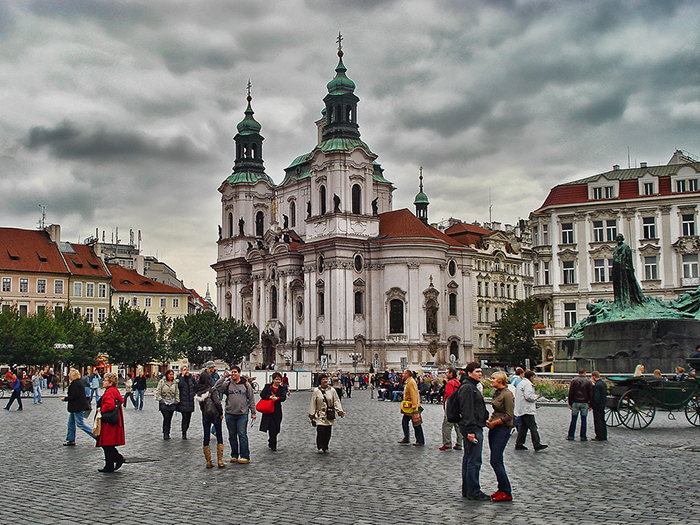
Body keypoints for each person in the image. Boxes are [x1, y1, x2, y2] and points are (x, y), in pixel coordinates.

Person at [456, 362, 488, 500]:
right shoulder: (468, 388)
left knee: (469, 458)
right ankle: (473, 490)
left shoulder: (470, 386)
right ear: (469, 373)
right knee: (474, 460)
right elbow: (467, 410)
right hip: (472, 428)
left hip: (473, 425)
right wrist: (471, 430)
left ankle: (467, 489)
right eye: (477, 371)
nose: (480, 374)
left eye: (481, 371)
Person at [215, 365, 256, 463]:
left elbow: (251, 399)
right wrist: (224, 377)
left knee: (242, 434)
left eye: (235, 372)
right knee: (232, 435)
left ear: (239, 373)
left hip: (242, 413)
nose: (233, 374)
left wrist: (253, 412)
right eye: (232, 372)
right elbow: (217, 387)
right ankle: (234, 455)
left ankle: (245, 456)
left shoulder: (246, 385)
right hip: (230, 413)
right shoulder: (228, 384)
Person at [486, 371, 515, 502]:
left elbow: (509, 416)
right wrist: (490, 419)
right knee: (497, 460)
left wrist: (494, 423)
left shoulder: (507, 394)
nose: (491, 381)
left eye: (493, 379)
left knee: (495, 460)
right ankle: (501, 488)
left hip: (503, 428)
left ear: (500, 380)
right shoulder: (497, 393)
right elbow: (497, 410)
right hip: (495, 427)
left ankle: (506, 491)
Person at [194, 367, 225, 468]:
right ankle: (220, 460)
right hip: (215, 415)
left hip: (205, 415)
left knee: (206, 437)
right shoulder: (211, 390)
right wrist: (221, 413)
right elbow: (217, 402)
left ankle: (208, 461)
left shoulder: (199, 392)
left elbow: (202, 406)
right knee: (219, 435)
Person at [308, 373, 345, 453]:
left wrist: (339, 411)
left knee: (327, 432)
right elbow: (313, 402)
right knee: (320, 430)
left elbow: (336, 401)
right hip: (319, 414)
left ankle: (326, 446)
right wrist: (311, 414)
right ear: (320, 381)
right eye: (323, 379)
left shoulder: (332, 390)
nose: (325, 381)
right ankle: (320, 447)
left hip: (328, 414)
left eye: (326, 379)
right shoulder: (316, 391)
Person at [96, 373, 125, 473]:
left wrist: (101, 410)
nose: (103, 382)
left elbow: (110, 405)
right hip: (114, 421)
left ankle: (116, 459)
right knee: (108, 444)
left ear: (110, 382)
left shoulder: (109, 392)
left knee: (107, 444)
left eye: (105, 380)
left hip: (109, 421)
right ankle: (110, 464)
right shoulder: (113, 390)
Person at [514, 370, 547, 452]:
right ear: (531, 377)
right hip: (527, 409)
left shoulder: (521, 383)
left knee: (523, 427)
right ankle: (536, 444)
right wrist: (536, 397)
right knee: (533, 427)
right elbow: (528, 396)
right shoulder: (528, 384)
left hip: (521, 408)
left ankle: (519, 443)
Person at [62, 368, 96, 446]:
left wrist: (65, 399)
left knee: (80, 424)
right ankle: (70, 439)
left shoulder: (75, 384)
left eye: (69, 373)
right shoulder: (79, 383)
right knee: (71, 423)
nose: (68, 375)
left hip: (77, 407)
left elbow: (74, 396)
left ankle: (96, 436)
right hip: (76, 407)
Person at [259, 372, 287, 451]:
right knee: (272, 428)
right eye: (276, 379)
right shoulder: (268, 387)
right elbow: (262, 395)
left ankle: (271, 439)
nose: (278, 381)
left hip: (277, 411)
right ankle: (273, 444)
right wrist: (269, 397)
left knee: (277, 428)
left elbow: (283, 398)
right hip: (268, 410)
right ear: (273, 380)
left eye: (279, 380)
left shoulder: (281, 389)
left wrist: (277, 398)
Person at [398, 369, 424, 446]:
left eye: (404, 373)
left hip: (412, 407)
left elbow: (413, 394)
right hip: (409, 407)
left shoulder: (411, 382)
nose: (403, 375)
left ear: (407, 374)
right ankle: (407, 438)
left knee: (416, 423)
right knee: (405, 422)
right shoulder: (409, 382)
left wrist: (414, 405)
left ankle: (420, 440)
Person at [440, 367, 463, 451]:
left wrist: (445, 404)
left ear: (451, 374)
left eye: (447, 373)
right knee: (458, 426)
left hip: (451, 407)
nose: (446, 374)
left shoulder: (450, 383)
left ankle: (447, 443)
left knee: (446, 426)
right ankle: (459, 443)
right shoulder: (458, 382)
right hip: (458, 406)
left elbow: (449, 395)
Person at [567, 369, 593, 442]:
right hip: (585, 402)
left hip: (575, 402)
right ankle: (583, 436)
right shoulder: (588, 382)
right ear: (585, 373)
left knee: (574, 419)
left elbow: (571, 392)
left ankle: (571, 435)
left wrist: (570, 403)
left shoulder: (574, 381)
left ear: (578, 373)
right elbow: (591, 394)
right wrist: (591, 404)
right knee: (584, 420)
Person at [155, 370, 180, 440]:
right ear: (167, 375)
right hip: (164, 402)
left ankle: (168, 432)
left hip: (172, 402)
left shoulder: (175, 383)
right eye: (170, 374)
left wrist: (176, 401)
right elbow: (158, 391)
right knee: (166, 417)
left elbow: (177, 392)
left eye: (172, 375)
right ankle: (165, 432)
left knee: (169, 418)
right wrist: (161, 400)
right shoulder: (162, 382)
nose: (171, 376)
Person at [177, 366, 196, 440]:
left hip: (190, 401)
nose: (186, 371)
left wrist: (193, 393)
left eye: (187, 370)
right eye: (184, 370)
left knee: (188, 418)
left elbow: (195, 386)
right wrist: (182, 376)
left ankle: (186, 429)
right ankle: (183, 432)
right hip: (183, 401)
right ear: (181, 371)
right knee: (184, 417)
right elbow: (179, 386)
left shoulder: (191, 378)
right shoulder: (179, 379)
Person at [591, 371, 607, 442]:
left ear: (594, 377)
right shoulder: (603, 384)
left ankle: (599, 435)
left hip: (597, 405)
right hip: (603, 404)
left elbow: (596, 397)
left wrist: (592, 404)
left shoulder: (597, 385)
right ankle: (604, 435)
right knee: (602, 420)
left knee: (597, 421)